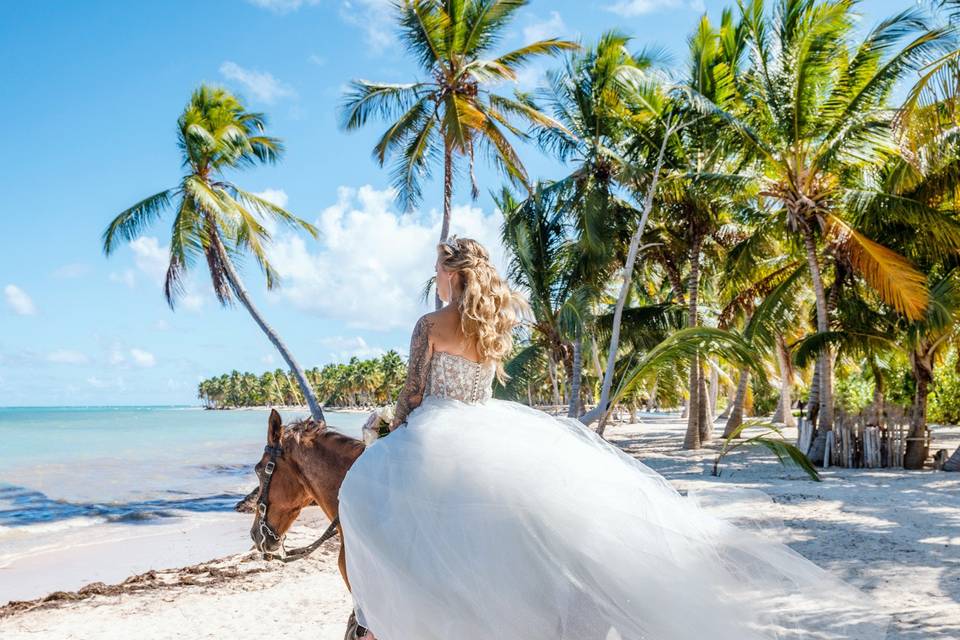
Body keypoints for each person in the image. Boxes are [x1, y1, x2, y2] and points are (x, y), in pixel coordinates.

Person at [338, 237, 886, 640]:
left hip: (437, 429)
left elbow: (413, 394)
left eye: (436, 268)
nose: (433, 278)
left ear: (450, 273)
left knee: (363, 496)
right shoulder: (492, 325)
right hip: (487, 426)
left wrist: (385, 429)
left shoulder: (429, 324)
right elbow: (479, 391)